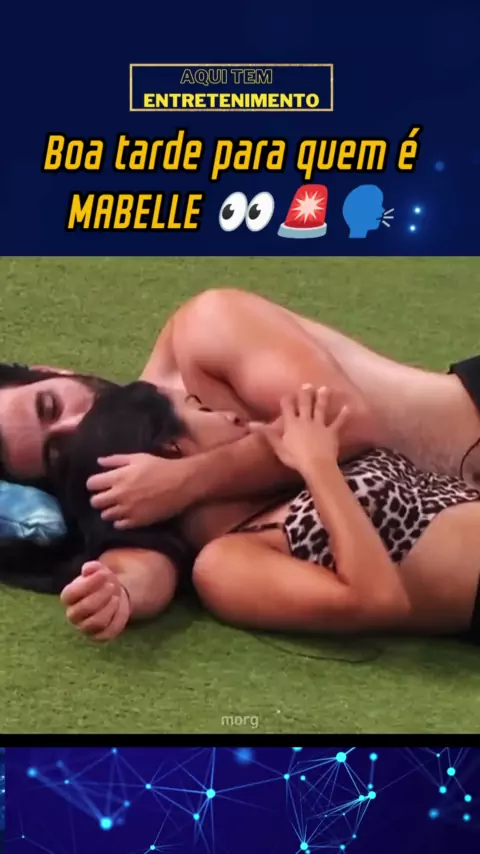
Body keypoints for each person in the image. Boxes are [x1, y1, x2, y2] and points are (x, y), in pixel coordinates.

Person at [58, 381, 480, 643]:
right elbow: (380, 601)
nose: (228, 414)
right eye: (201, 409)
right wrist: (318, 465)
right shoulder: (225, 564)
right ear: (171, 450)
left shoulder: (276, 487)